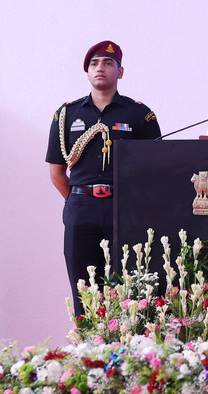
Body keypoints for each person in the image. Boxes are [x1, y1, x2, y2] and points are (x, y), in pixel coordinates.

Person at [46, 40, 161, 316]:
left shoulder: (140, 114)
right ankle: (88, 348)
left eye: (109, 63)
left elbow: (156, 168)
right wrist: (77, 201)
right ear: (87, 72)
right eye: (94, 64)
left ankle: (130, 345)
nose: (101, 68)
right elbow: (57, 172)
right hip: (81, 207)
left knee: (131, 287)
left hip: (124, 209)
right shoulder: (66, 114)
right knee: (84, 288)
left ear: (119, 72)